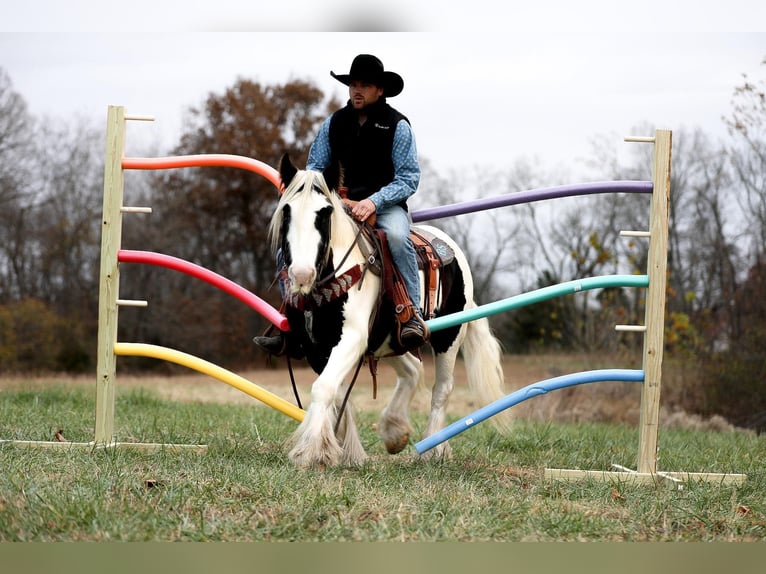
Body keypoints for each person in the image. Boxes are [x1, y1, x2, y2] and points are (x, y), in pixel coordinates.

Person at [254, 54, 428, 355]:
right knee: (287, 249)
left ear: (380, 90)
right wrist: (336, 201)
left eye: (365, 85)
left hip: (385, 207)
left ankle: (410, 314)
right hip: (337, 206)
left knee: (399, 238)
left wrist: (373, 202)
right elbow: (314, 170)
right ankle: (291, 321)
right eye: (353, 85)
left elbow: (409, 179)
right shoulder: (334, 124)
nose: (356, 91)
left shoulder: (397, 126)